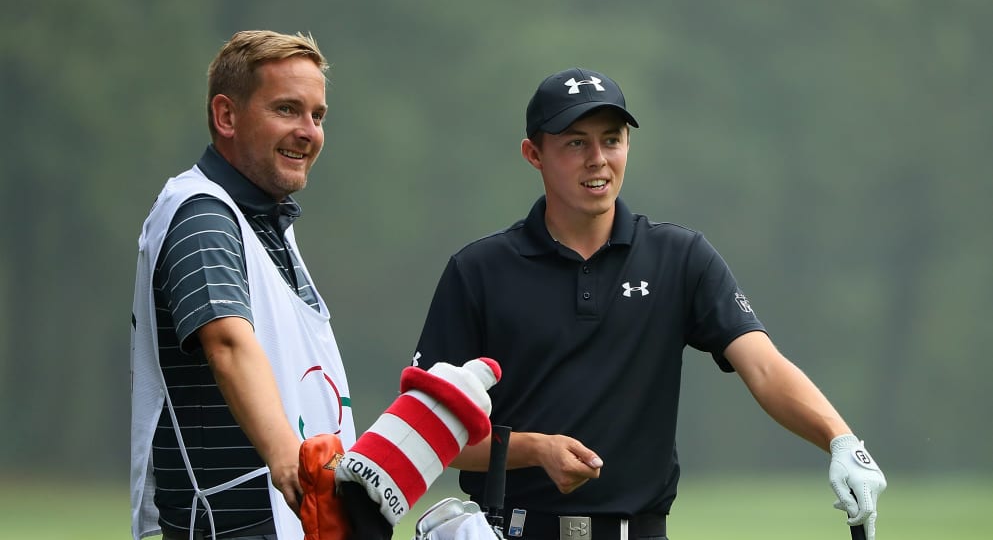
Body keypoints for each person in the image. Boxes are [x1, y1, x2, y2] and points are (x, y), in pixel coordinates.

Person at [411, 67, 887, 540]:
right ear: (534, 154)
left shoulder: (679, 258)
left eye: (611, 140)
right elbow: (430, 436)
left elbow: (763, 366)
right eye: (576, 143)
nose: (598, 159)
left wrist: (841, 440)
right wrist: (535, 449)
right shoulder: (480, 270)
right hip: (510, 531)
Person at [130, 30, 356, 540]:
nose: (308, 131)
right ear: (226, 117)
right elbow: (228, 344)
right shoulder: (202, 215)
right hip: (239, 524)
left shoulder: (263, 221)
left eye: (317, 116)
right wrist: (290, 463)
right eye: (287, 110)